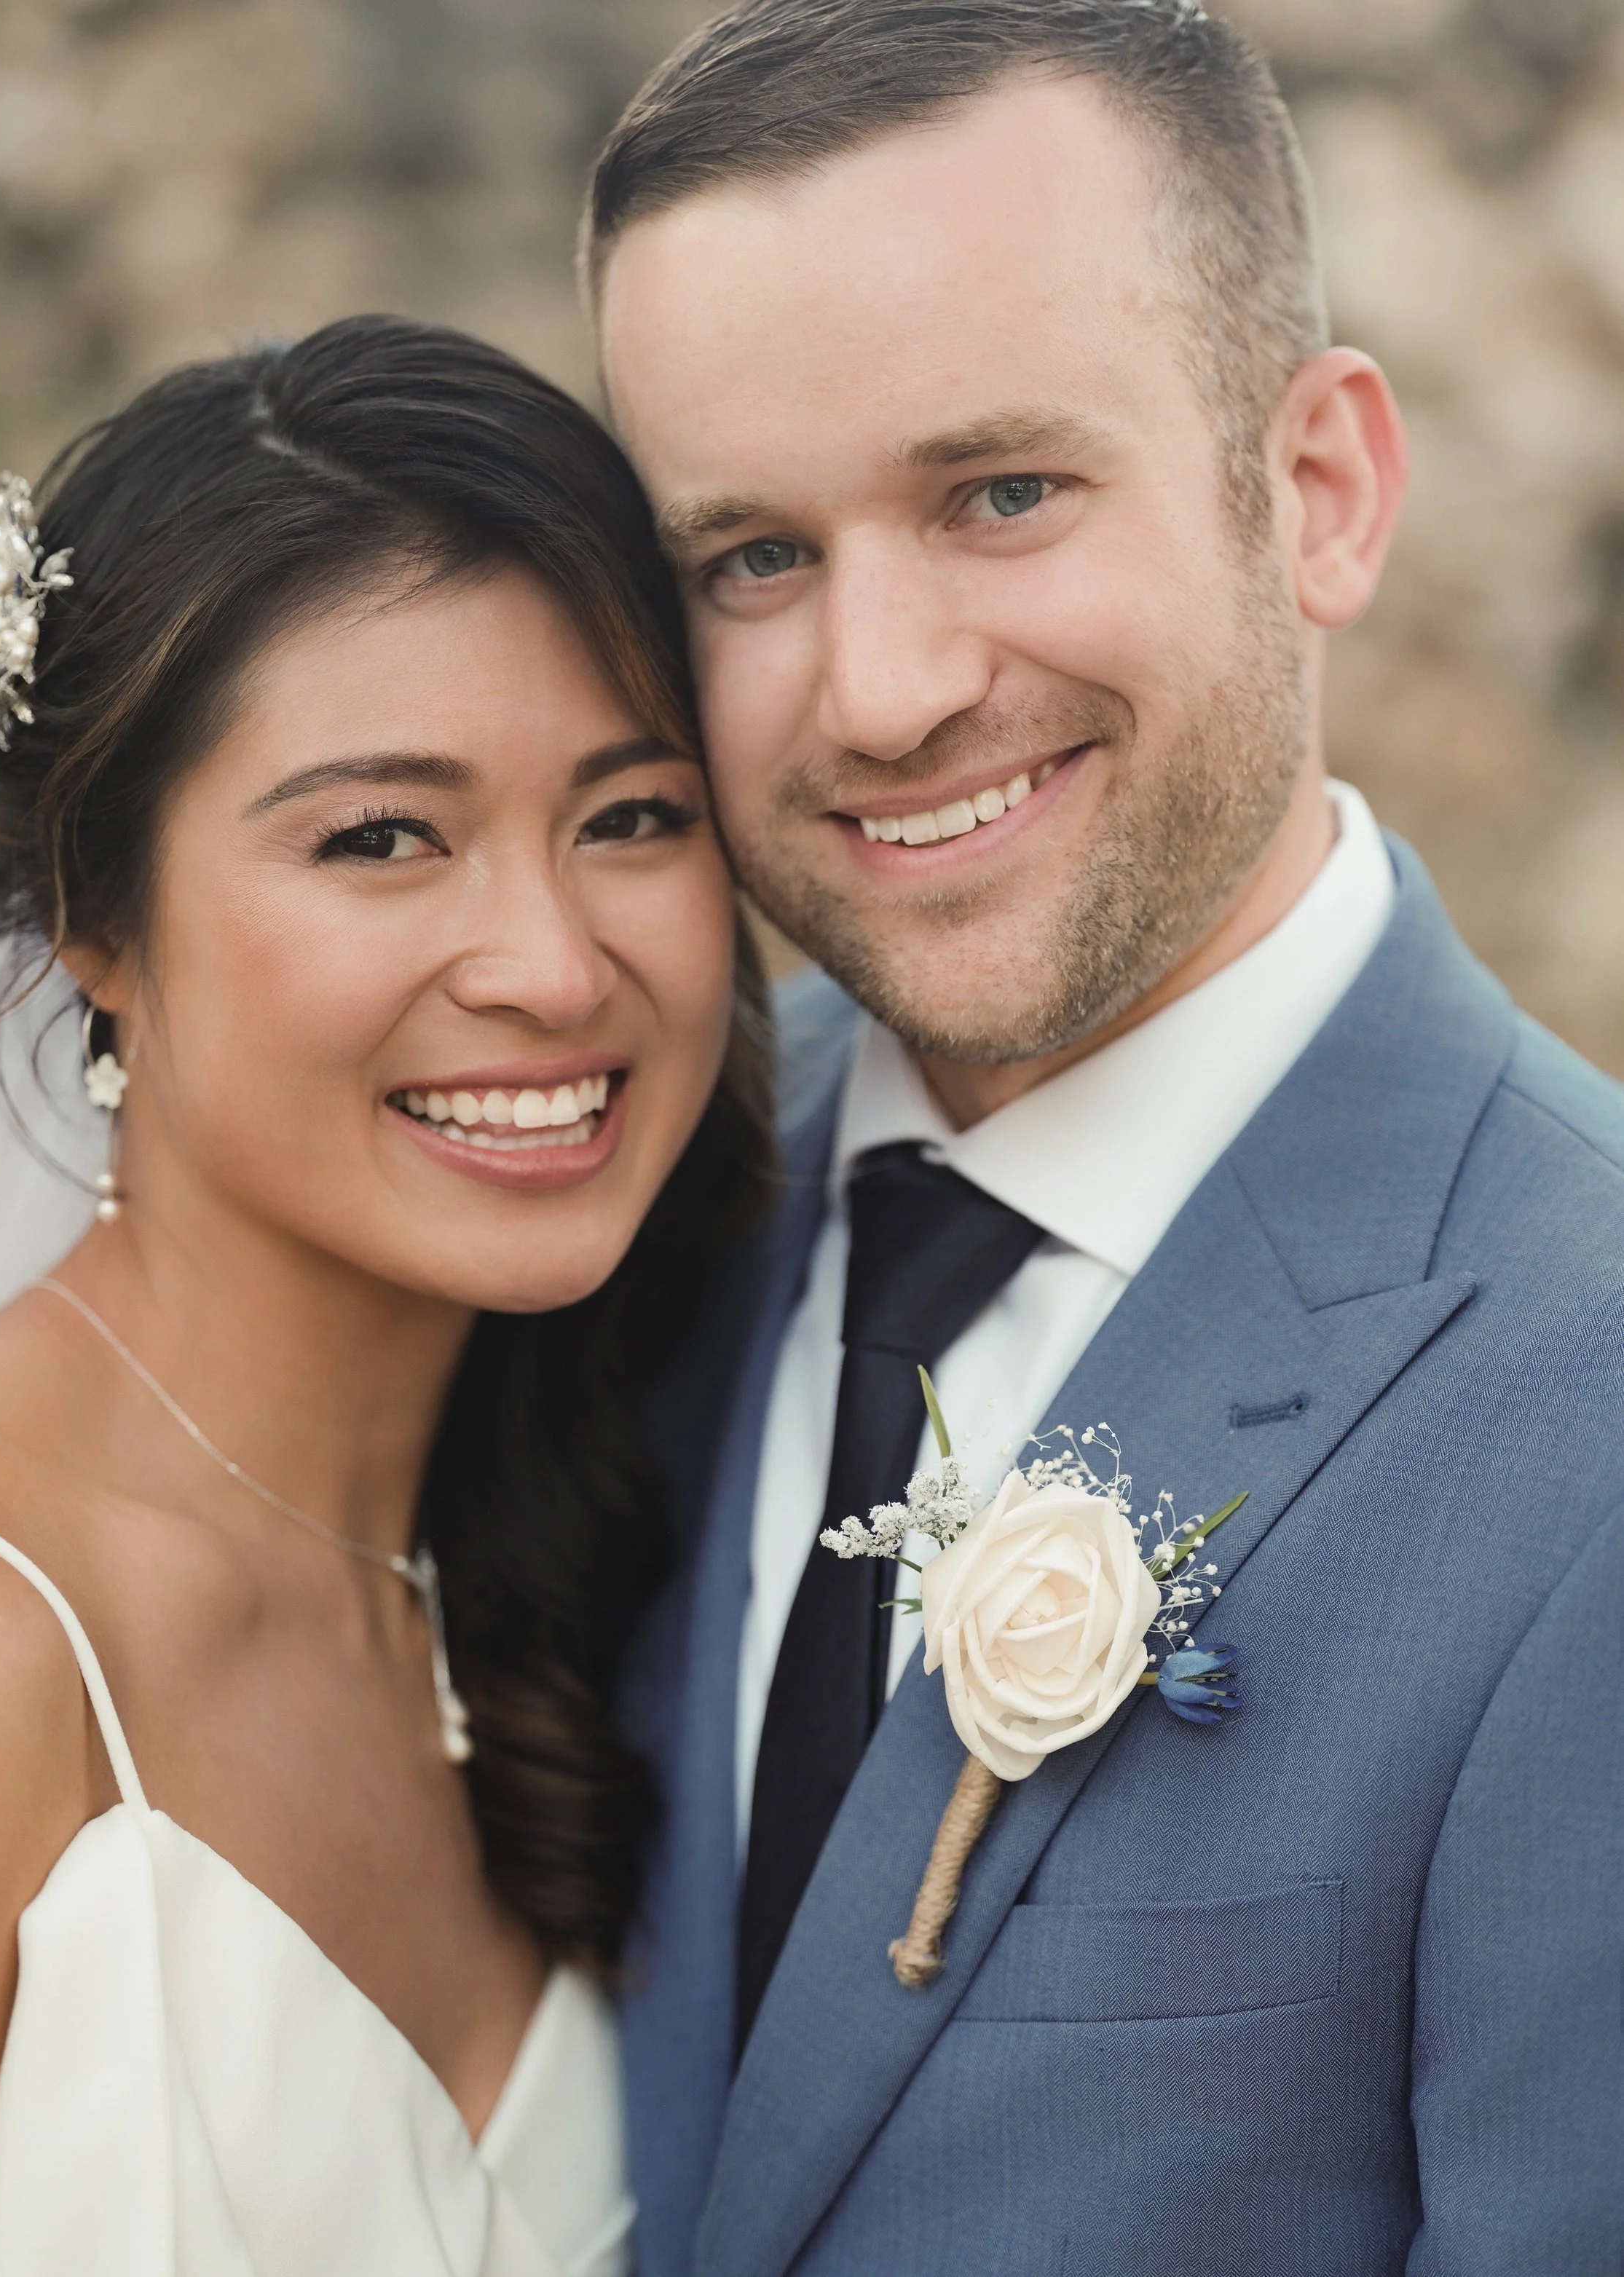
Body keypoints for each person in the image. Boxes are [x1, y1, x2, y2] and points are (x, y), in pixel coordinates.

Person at [586, 3, 1624, 2272]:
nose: (879, 688)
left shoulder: (1591, 1389)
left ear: (1318, 490)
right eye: (750, 556)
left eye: (1000, 492)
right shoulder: (598, 1196)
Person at [0, 313, 771, 2276]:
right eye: (382, 836)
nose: (553, 964)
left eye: (633, 815)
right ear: (94, 917)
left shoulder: (581, 1534)